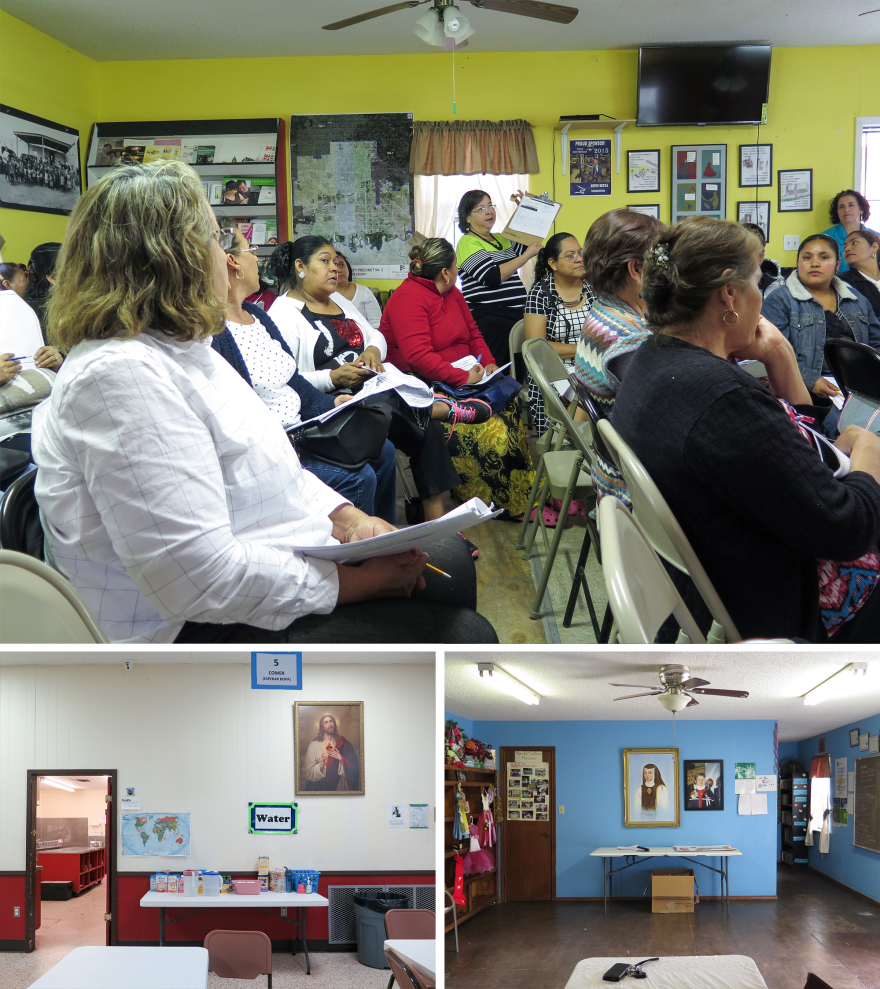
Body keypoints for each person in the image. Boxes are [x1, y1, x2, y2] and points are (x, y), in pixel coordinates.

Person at [32, 160, 496, 645]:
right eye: (216, 240)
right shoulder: (117, 377)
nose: (229, 259)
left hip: (261, 555)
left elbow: (278, 467)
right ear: (171, 257)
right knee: (468, 633)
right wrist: (357, 583)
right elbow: (197, 580)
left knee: (451, 561)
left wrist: (349, 520)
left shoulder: (189, 348)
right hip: (184, 631)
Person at [612, 215, 880, 643]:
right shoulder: (720, 398)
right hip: (794, 600)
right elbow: (847, 528)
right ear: (730, 296)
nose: (761, 295)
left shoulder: (655, 360)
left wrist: (780, 357)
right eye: (757, 282)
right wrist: (868, 451)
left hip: (732, 574)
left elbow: (778, 454)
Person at [266, 236, 464, 524]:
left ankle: (439, 524)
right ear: (300, 266)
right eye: (325, 261)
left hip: (369, 387)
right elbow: (288, 380)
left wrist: (372, 350)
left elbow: (376, 334)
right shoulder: (283, 314)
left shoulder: (338, 301)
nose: (334, 268)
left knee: (426, 429)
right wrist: (332, 377)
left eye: (336, 261)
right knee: (410, 417)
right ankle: (434, 406)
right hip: (334, 404)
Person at [211, 225, 398, 522]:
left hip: (304, 426)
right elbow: (235, 412)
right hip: (277, 445)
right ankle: (363, 552)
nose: (257, 259)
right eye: (251, 251)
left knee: (383, 449)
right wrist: (332, 384)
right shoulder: (215, 331)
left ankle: (388, 537)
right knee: (360, 477)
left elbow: (292, 379)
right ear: (233, 262)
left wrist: (332, 405)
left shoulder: (256, 315)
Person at [380, 238, 536, 519]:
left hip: (464, 378)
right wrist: (461, 377)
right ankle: (483, 502)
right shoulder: (407, 298)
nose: (458, 270)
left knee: (507, 409)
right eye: (456, 265)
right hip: (427, 384)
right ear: (445, 272)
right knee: (487, 427)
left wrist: (488, 362)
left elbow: (474, 333)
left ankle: (518, 498)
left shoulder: (452, 293)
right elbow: (418, 358)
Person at [573, 208, 665, 504]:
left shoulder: (605, 310)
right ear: (637, 269)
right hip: (635, 496)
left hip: (610, 477)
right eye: (665, 262)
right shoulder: (628, 339)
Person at [761, 233, 880, 432]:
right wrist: (811, 379)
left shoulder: (856, 299)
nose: (814, 263)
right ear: (798, 262)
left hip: (858, 387)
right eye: (807, 257)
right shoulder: (780, 301)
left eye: (824, 257)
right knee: (847, 431)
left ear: (837, 263)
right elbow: (774, 356)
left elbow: (876, 344)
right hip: (808, 388)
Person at [455, 190, 541, 364]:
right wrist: (526, 256)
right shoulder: (467, 242)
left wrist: (524, 210)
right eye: (480, 209)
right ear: (467, 218)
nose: (489, 211)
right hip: (490, 318)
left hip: (516, 315)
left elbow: (525, 247)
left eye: (490, 206)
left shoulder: (501, 238)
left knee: (522, 368)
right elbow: (491, 276)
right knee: (499, 370)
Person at [523, 232, 594, 435]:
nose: (579, 259)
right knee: (589, 392)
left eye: (580, 253)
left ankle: (575, 443)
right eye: (571, 255)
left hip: (589, 363)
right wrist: (582, 349)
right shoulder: (540, 293)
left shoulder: (593, 289)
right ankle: (574, 443)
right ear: (553, 264)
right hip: (553, 369)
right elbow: (538, 347)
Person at [302, 714, 360, 792]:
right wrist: (321, 765)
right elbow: (307, 772)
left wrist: (340, 758)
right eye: (326, 722)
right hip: (321, 788)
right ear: (322, 727)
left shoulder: (344, 743)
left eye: (331, 721)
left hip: (340, 787)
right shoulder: (314, 745)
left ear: (334, 724)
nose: (329, 724)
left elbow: (355, 768)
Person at [823, 189, 870, 273]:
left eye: (851, 205)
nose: (846, 210)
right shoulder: (826, 238)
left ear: (861, 209)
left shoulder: (876, 237)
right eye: (841, 207)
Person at [333, 250, 383, 328]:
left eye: (342, 265)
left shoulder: (364, 292)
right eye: (334, 265)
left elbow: (376, 323)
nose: (339, 270)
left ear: (348, 269)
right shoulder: (321, 295)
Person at [840, 227, 880, 318]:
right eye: (844, 247)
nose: (847, 249)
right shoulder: (843, 282)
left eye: (855, 242)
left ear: (874, 246)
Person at [741, 222, 785, 298]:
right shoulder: (729, 276)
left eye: (760, 254)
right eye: (747, 254)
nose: (755, 260)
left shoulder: (773, 274)